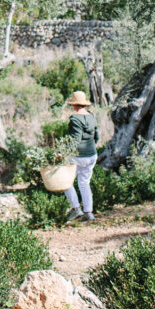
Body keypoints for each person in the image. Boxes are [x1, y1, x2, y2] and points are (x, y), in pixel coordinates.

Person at [63, 90, 99, 222]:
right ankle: (88, 212)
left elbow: (75, 140)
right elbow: (97, 137)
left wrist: (64, 153)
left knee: (66, 182)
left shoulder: (75, 119)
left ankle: (75, 208)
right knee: (84, 183)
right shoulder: (91, 116)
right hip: (92, 155)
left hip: (78, 156)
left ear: (74, 104)